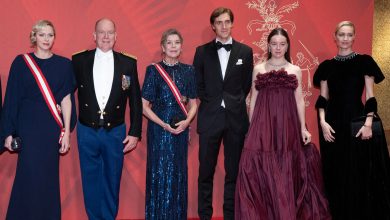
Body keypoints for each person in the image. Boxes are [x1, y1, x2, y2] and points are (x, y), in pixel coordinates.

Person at [235, 27, 331, 220]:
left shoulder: (294, 70)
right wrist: (251, 127)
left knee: (284, 167)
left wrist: (303, 127)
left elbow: (299, 101)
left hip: (287, 126)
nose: (278, 48)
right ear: (268, 46)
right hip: (262, 126)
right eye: (274, 44)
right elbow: (253, 100)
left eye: (282, 44)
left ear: (287, 46)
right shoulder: (258, 69)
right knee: (257, 167)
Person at [314, 21, 390, 220]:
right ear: (335, 36)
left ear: (354, 37)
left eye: (349, 35)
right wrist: (322, 123)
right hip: (332, 125)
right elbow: (322, 98)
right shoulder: (326, 67)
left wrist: (368, 123)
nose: (345, 39)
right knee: (336, 171)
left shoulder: (364, 61)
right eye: (341, 35)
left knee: (357, 172)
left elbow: (370, 97)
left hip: (357, 123)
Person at [0, 20, 75, 220]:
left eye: (50, 35)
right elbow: (11, 99)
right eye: (42, 35)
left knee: (48, 179)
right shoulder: (21, 62)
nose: (46, 39)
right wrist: (7, 133)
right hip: (27, 128)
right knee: (28, 176)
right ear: (34, 37)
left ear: (54, 38)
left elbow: (67, 100)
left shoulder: (64, 65)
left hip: (51, 129)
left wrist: (66, 132)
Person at [72, 18, 142, 220]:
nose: (105, 36)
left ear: (116, 36)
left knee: (112, 179)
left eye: (110, 32)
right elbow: (65, 92)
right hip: (87, 131)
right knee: (90, 180)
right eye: (101, 32)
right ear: (94, 36)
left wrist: (135, 132)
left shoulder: (128, 63)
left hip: (116, 132)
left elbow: (135, 100)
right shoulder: (79, 61)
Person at [193, 7, 254, 220]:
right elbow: (197, 84)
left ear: (232, 23)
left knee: (233, 173)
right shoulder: (201, 52)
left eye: (227, 21)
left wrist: (232, 102)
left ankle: (231, 215)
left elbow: (246, 84)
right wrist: (212, 102)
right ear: (213, 26)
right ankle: (204, 215)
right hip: (210, 118)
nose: (224, 26)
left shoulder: (245, 52)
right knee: (205, 172)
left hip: (236, 119)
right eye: (219, 22)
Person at [142, 28, 197, 220]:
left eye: (177, 43)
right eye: (169, 43)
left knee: (177, 175)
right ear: (163, 47)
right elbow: (144, 107)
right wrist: (163, 125)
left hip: (180, 130)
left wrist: (187, 122)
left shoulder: (189, 71)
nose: (173, 46)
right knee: (159, 173)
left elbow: (193, 104)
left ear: (181, 47)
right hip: (159, 131)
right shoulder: (153, 70)